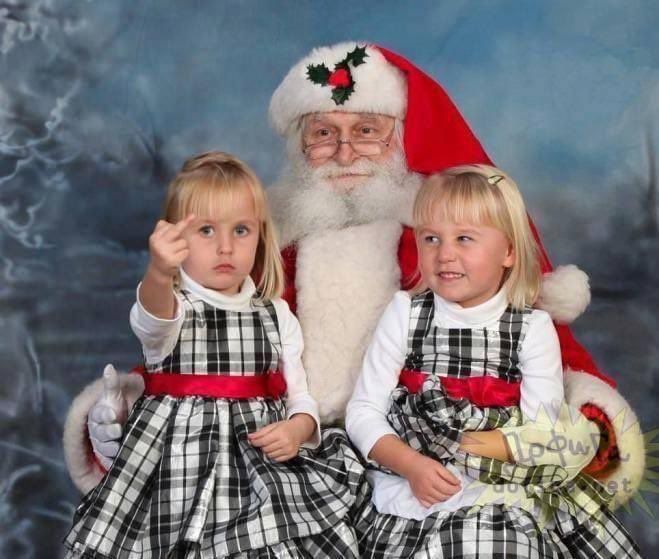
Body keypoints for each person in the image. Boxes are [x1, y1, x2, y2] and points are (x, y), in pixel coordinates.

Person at [63, 42, 643, 512]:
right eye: (323, 133)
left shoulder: (440, 250)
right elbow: (198, 347)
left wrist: (587, 419)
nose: (344, 152)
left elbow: (535, 346)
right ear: (300, 147)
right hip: (295, 448)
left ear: (403, 139)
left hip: (426, 452)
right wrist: (122, 411)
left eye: (367, 131)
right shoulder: (264, 251)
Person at [63, 152, 363, 558]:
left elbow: (299, 394)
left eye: (241, 230)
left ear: (260, 236)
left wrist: (298, 428)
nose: (225, 247)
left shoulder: (275, 313)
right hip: (176, 471)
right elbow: (151, 318)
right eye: (206, 230)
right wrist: (158, 272)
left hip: (256, 468)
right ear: (176, 240)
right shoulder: (173, 307)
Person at [345, 165, 641, 556]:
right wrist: (410, 465)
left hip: (499, 485)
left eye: (464, 238)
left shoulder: (532, 328)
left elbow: (541, 431)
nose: (444, 254)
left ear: (508, 252)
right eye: (431, 238)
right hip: (414, 482)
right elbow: (363, 411)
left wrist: (471, 446)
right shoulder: (405, 313)